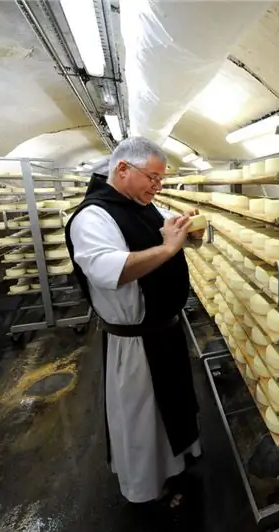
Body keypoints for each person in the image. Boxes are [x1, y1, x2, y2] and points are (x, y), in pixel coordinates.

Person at [64, 136, 204, 508]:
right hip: (136, 340)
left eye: (161, 181)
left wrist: (185, 235)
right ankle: (146, 487)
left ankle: (177, 465)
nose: (157, 188)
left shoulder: (144, 205)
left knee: (172, 407)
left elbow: (162, 242)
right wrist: (170, 247)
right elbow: (112, 271)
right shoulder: (92, 217)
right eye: (153, 178)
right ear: (122, 169)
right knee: (143, 418)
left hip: (165, 330)